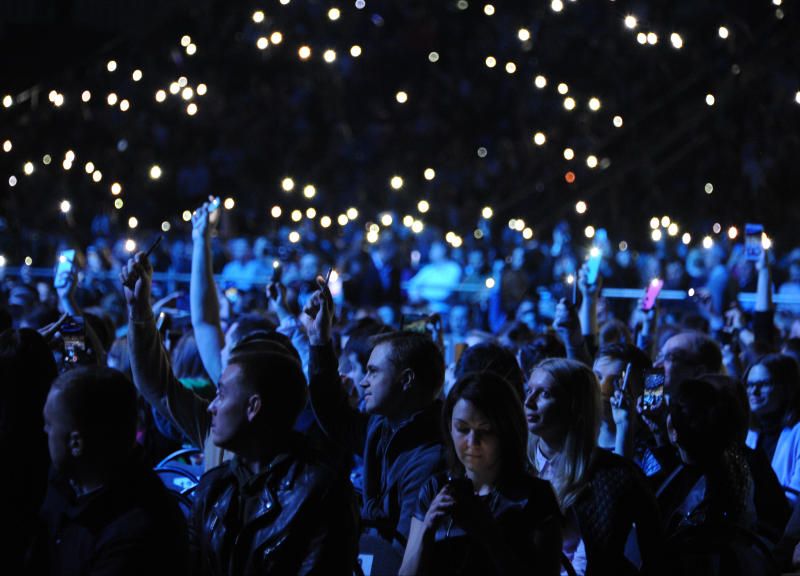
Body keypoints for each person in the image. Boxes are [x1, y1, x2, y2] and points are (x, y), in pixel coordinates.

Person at [122, 251, 359, 574]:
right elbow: (158, 384)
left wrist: (318, 343)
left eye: (221, 393)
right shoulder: (213, 485)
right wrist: (138, 311)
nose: (212, 404)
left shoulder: (318, 489)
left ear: (254, 406)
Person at [304, 278, 446, 569]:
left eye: (373, 372)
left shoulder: (431, 454)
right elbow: (333, 413)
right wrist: (319, 341)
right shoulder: (382, 426)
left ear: (406, 380)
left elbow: (403, 551)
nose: (363, 381)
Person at [31, 366, 188, 576]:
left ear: (76, 443)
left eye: (49, 424)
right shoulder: (64, 483)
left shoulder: (137, 532)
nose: (44, 431)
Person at [400, 372, 562, 575]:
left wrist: (488, 533)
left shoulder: (535, 496)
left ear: (505, 431)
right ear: (449, 427)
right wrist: (427, 530)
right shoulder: (436, 488)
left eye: (485, 430)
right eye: (462, 428)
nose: (472, 442)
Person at [526, 358, 663, 575]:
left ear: (574, 406)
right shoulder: (516, 465)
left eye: (545, 394)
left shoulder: (613, 476)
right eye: (529, 390)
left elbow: (652, 555)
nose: (528, 402)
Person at [745, 354, 800, 502]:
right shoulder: (751, 432)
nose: (753, 391)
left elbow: (795, 499)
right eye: (749, 384)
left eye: (764, 384)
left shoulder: (797, 432)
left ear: (787, 388)